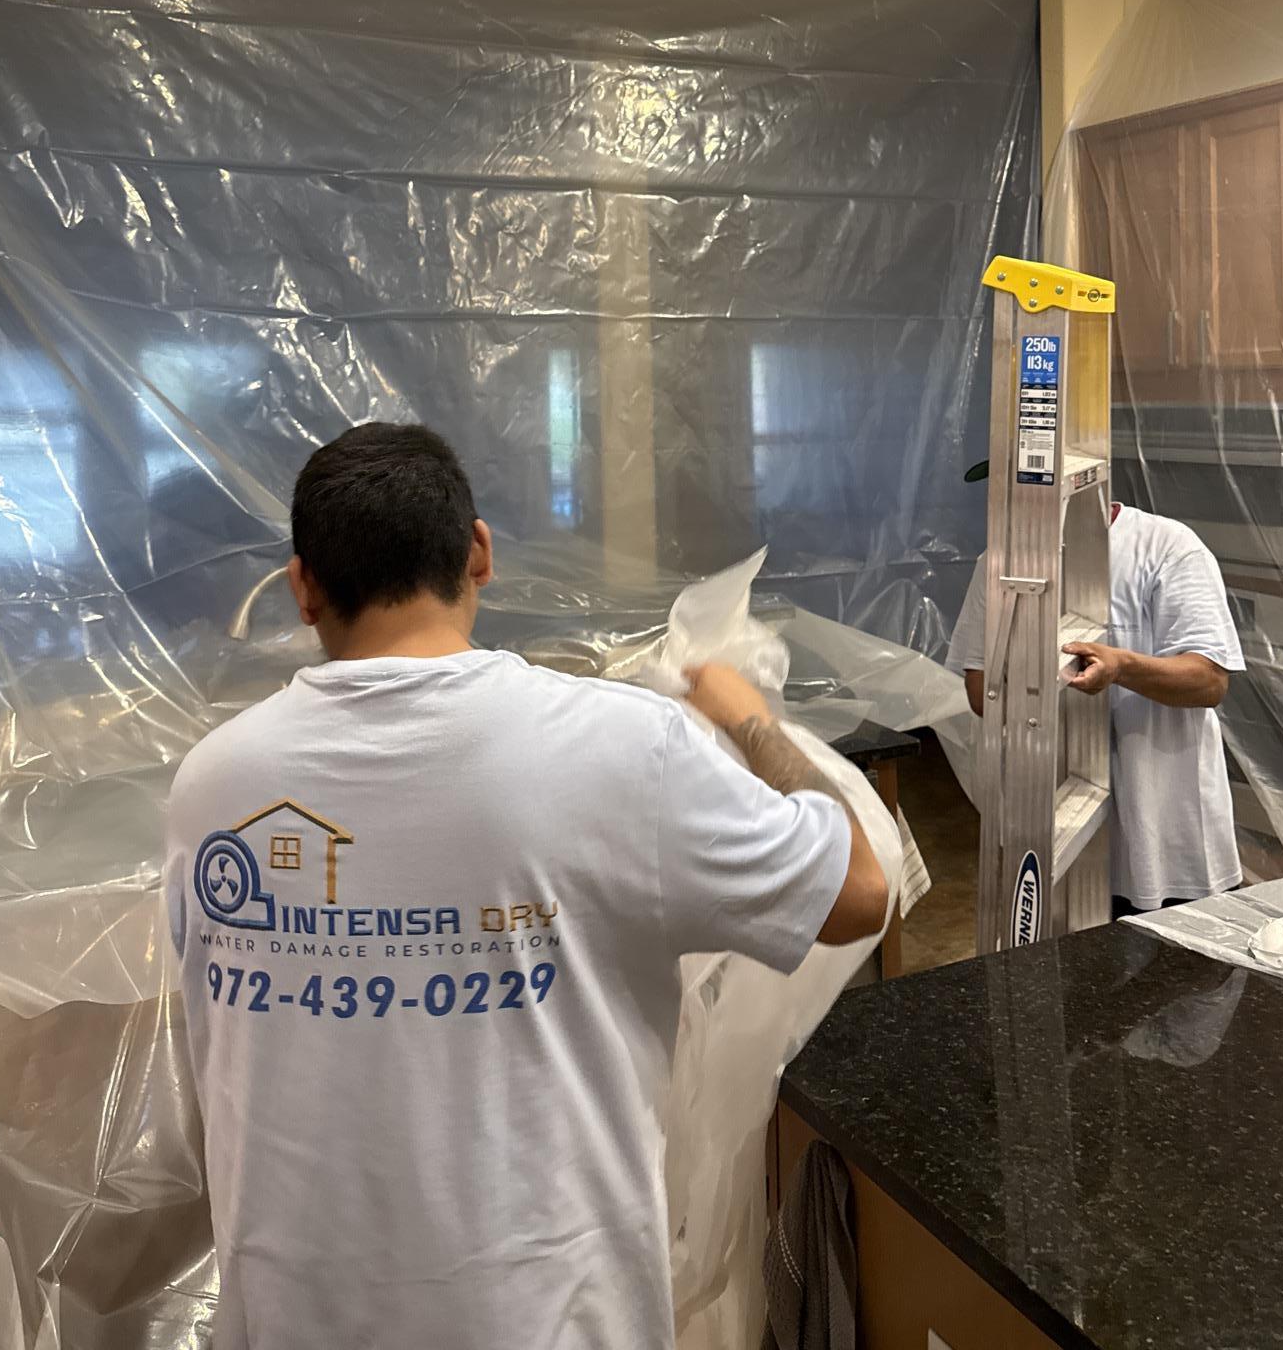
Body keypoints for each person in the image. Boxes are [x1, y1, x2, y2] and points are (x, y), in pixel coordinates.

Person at [164, 422, 887, 1350]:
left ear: (302, 588)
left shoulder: (213, 784)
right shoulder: (620, 752)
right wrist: (749, 721)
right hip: (550, 1323)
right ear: (479, 553)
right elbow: (860, 891)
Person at [947, 462, 1245, 916]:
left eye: (1032, 489)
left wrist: (1120, 666)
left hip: (1167, 841)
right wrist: (1039, 680)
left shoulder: (1166, 547)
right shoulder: (998, 565)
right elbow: (979, 687)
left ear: (1075, 488)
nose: (1017, 509)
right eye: (1007, 495)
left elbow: (1208, 680)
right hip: (1058, 832)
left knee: (1187, 981)